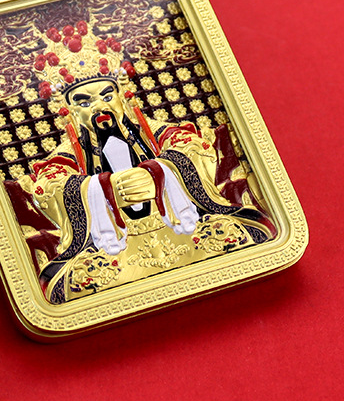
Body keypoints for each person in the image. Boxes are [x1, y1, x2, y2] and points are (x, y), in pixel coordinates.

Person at [19, 21, 275, 303]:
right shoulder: (69, 151)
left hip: (181, 226)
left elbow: (192, 145)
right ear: (69, 112)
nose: (100, 107)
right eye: (84, 103)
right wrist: (103, 189)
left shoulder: (151, 130)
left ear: (123, 97)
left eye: (107, 96)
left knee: (241, 234)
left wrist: (160, 173)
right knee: (71, 284)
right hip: (111, 247)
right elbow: (49, 185)